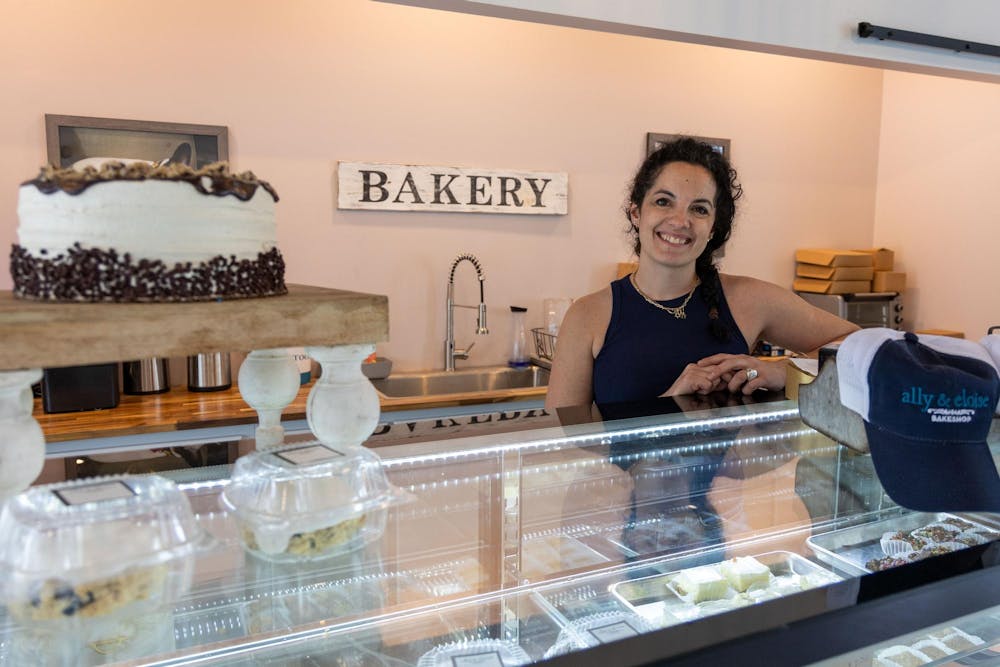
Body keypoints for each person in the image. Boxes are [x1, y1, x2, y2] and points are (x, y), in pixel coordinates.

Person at [545, 136, 859, 410]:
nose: (680, 221)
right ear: (636, 213)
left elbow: (862, 346)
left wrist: (784, 370)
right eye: (663, 201)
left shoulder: (748, 299)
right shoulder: (586, 317)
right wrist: (671, 401)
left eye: (699, 209)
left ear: (713, 228)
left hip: (727, 482)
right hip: (624, 481)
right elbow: (559, 448)